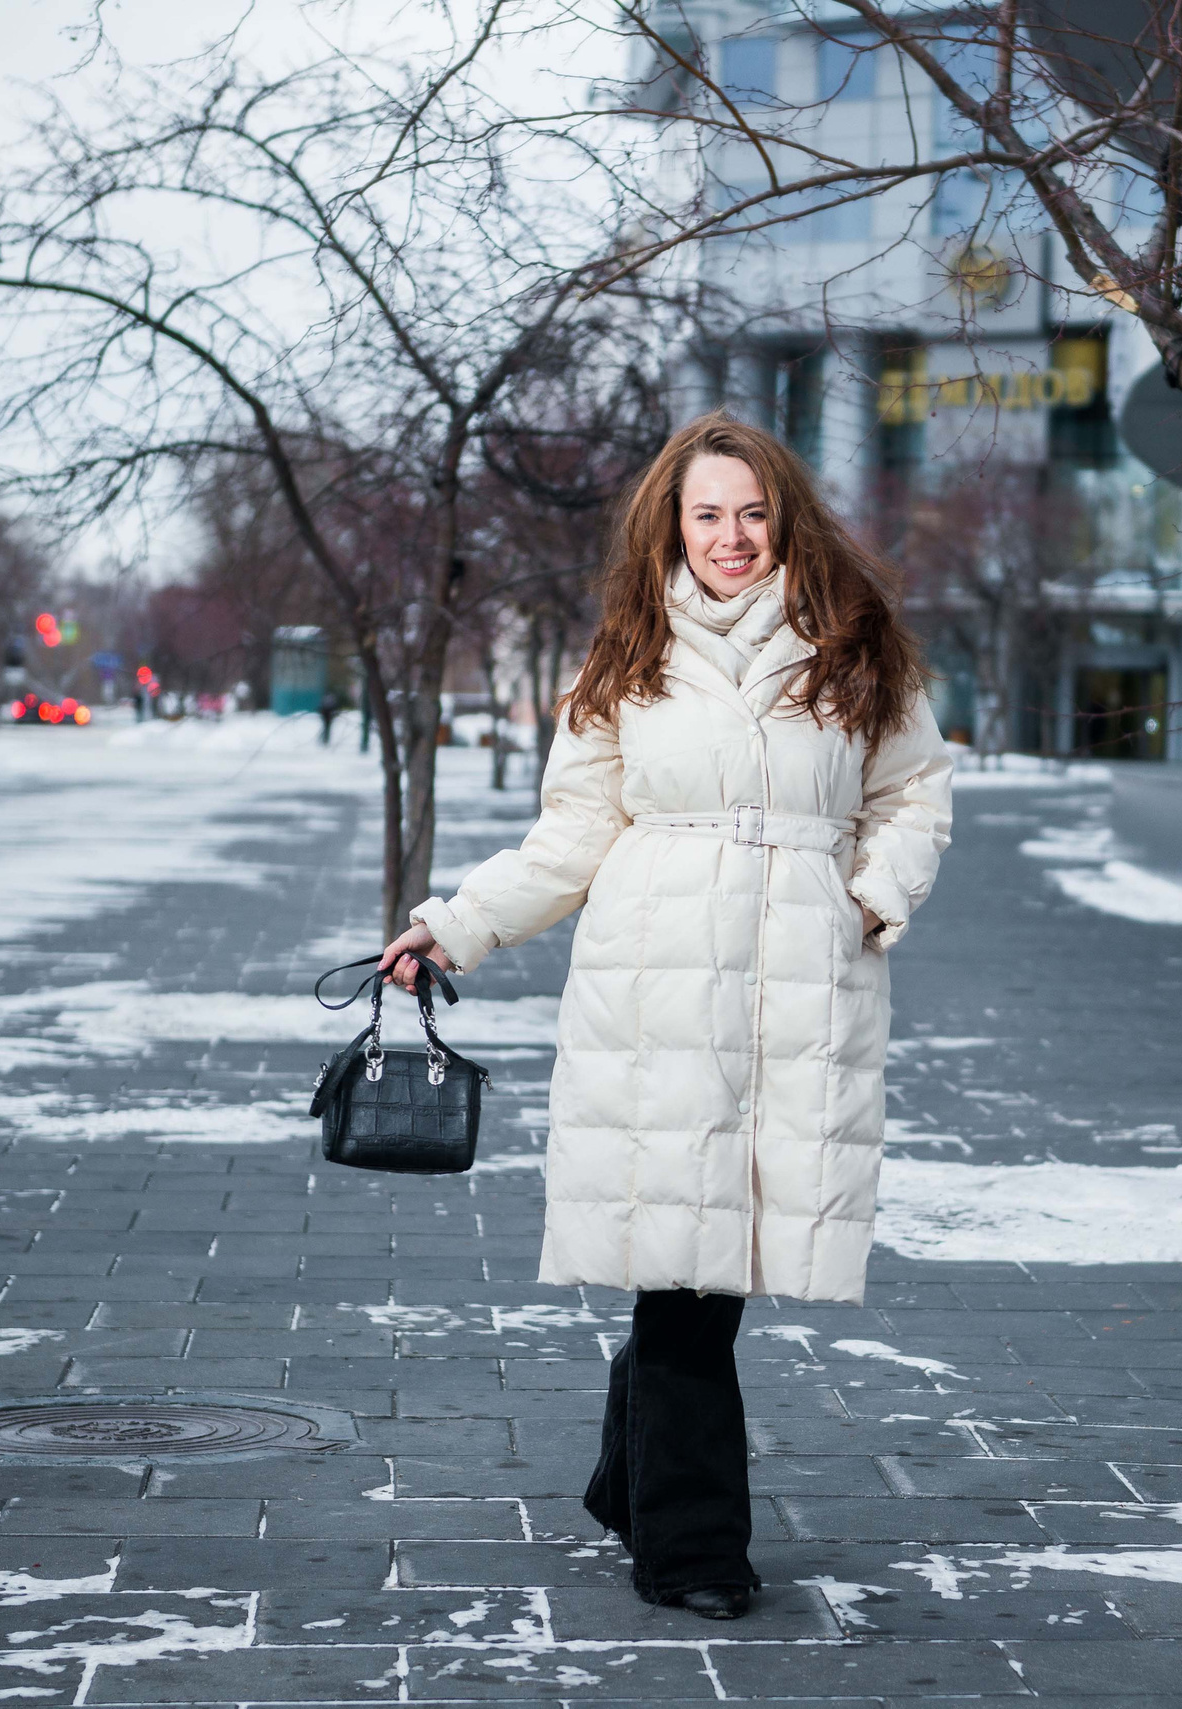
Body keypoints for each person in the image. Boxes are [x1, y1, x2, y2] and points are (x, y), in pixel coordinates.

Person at [378, 413, 954, 1620]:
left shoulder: (855, 645)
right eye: (707, 514)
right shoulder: (626, 653)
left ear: (785, 517)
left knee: (710, 1261)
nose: (731, 535)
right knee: (687, 1268)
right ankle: (692, 1547)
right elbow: (572, 835)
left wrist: (867, 896)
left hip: (798, 977)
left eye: (752, 512)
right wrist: (454, 923)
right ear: (671, 525)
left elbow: (914, 794)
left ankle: (627, 1475)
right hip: (658, 979)